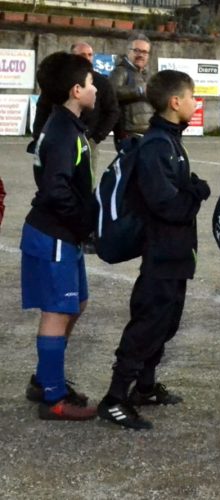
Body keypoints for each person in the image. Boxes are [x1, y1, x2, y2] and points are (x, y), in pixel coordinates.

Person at [97, 70, 211, 430]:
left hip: (175, 254)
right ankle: (115, 398)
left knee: (167, 323)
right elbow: (167, 206)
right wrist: (196, 193)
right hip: (161, 254)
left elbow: (174, 197)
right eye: (192, 97)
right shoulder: (157, 145)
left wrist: (189, 190)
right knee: (147, 324)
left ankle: (143, 387)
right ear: (175, 102)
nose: (196, 103)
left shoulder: (170, 141)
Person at [19, 52, 97, 420]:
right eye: (91, 82)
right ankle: (52, 398)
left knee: (75, 305)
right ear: (76, 90)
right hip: (53, 235)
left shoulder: (67, 123)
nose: (96, 88)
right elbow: (55, 190)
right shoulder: (63, 130)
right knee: (56, 312)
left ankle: (44, 377)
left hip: (64, 234)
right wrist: (85, 222)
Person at [31, 42, 119, 181]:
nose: (87, 58)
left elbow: (112, 111)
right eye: (82, 55)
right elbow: (42, 108)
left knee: (85, 182)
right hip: (61, 140)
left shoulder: (102, 82)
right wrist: (38, 136)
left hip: (88, 141)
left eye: (90, 55)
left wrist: (96, 137)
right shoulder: (59, 83)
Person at [110, 33, 153, 149]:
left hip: (149, 132)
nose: (141, 55)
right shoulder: (120, 71)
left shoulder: (148, 75)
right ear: (128, 51)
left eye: (144, 52)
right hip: (128, 134)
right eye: (137, 51)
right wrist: (139, 90)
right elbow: (112, 93)